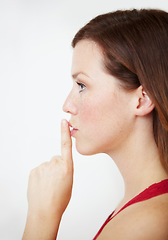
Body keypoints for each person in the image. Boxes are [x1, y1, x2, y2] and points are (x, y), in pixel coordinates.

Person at [22, 8, 168, 240]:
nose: (67, 105)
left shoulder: (143, 225)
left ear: (142, 100)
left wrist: (42, 216)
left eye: (82, 85)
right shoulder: (138, 208)